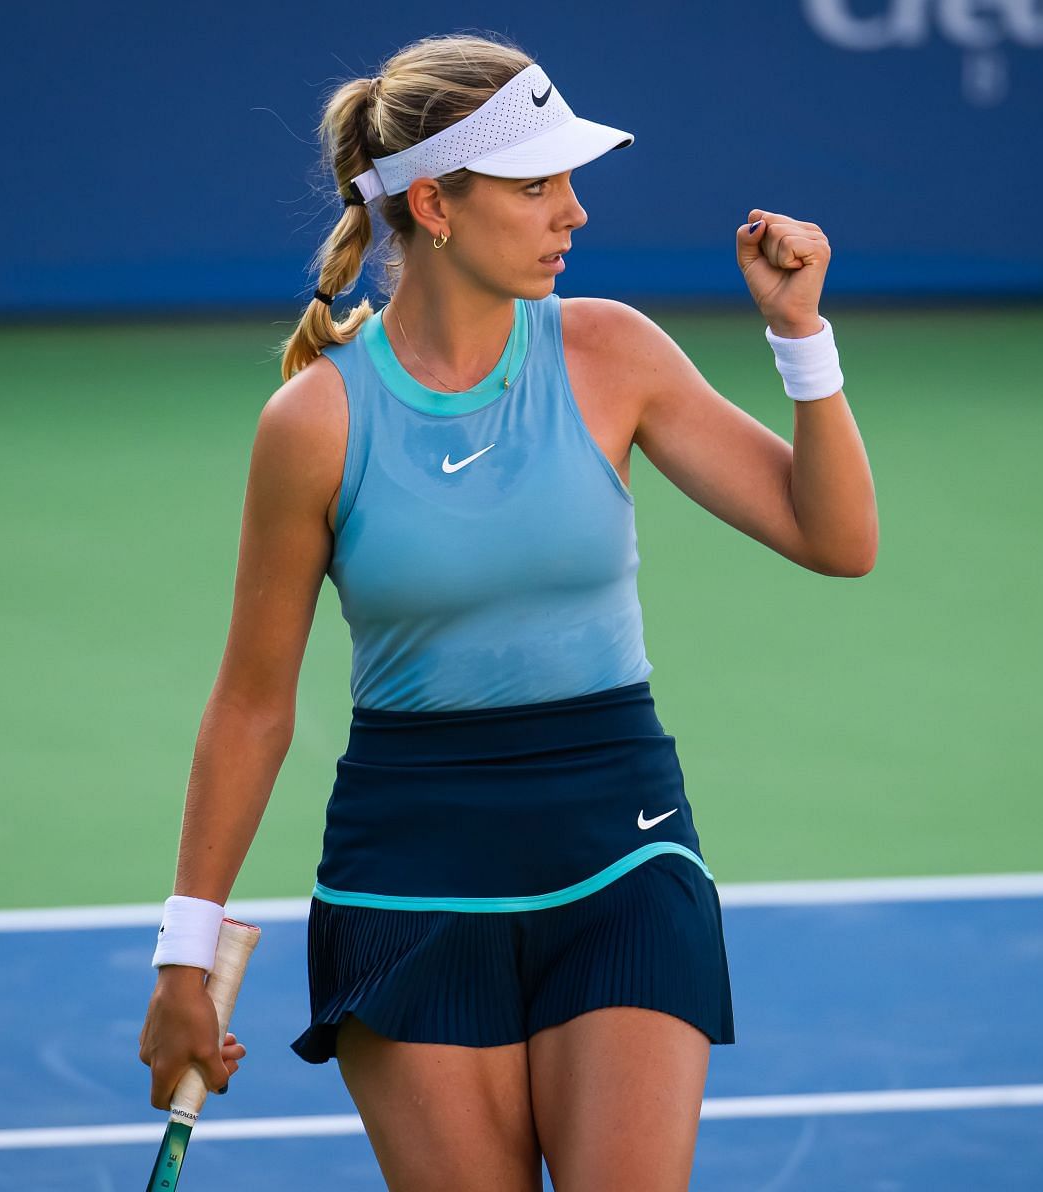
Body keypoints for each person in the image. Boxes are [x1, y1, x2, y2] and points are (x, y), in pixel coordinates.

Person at [138, 31, 877, 1192]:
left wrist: (801, 336)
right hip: (409, 885)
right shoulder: (317, 424)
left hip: (621, 861)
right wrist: (184, 955)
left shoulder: (610, 352)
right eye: (537, 186)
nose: (572, 213)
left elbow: (837, 539)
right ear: (435, 203)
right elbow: (250, 704)